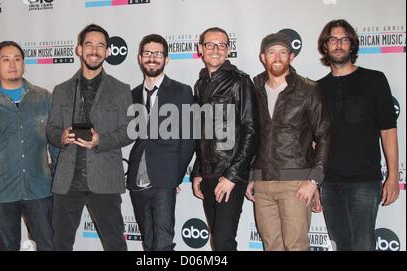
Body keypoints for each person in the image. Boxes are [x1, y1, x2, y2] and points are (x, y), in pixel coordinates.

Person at [46, 24, 132, 251]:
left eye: (100, 46)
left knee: (115, 243)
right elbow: (51, 129)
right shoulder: (62, 89)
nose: (95, 50)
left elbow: (129, 131)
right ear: (79, 49)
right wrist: (61, 137)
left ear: (108, 52)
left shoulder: (121, 89)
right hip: (67, 181)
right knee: (61, 244)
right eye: (89, 44)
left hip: (104, 180)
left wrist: (100, 140)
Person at [317, 19, 399, 251]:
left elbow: (388, 130)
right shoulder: (317, 88)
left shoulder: (374, 80)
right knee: (340, 245)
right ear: (325, 46)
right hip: (329, 182)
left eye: (344, 39)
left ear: (352, 45)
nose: (339, 44)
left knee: (363, 245)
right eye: (333, 39)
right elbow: (315, 141)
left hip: (365, 180)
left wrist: (392, 176)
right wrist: (314, 182)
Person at [0, 41, 55, 251]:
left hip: (40, 189)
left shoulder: (43, 98)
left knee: (49, 245)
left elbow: (56, 144)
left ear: (24, 64)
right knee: (7, 247)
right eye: (6, 59)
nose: (12, 64)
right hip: (1, 192)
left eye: (17, 59)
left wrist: (60, 183)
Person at [246, 33, 330, 251]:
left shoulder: (308, 89)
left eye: (283, 53)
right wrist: (251, 176)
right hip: (263, 183)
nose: (277, 57)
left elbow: (323, 135)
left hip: (296, 183)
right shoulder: (254, 90)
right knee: (271, 246)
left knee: (296, 246)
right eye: (272, 52)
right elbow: (252, 135)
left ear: (291, 57)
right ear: (263, 57)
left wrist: (314, 180)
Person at [191, 27, 258, 251]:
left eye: (222, 45)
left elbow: (251, 132)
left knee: (223, 242)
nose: (216, 49)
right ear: (200, 49)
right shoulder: (200, 84)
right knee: (217, 240)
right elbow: (202, 133)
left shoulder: (240, 81)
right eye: (210, 44)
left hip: (229, 175)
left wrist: (232, 175)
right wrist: (198, 171)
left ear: (228, 50)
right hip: (208, 174)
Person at [127, 34, 195, 251]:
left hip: (165, 178)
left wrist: (175, 177)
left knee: (163, 242)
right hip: (137, 178)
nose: (152, 58)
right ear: (139, 58)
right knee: (147, 241)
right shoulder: (133, 94)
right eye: (147, 53)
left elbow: (189, 138)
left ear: (166, 59)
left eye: (157, 54)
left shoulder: (181, 91)